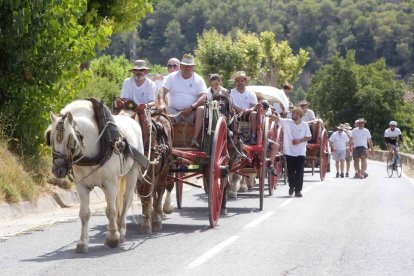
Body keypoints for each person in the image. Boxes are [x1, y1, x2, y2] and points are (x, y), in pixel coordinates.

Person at [158, 54, 207, 148]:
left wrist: (192, 107)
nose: (186, 68)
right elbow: (161, 91)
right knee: (161, 114)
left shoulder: (199, 79)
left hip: (192, 112)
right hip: (174, 111)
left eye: (189, 66)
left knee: (201, 109)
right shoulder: (171, 77)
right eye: (184, 66)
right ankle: (166, 142)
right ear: (180, 66)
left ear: (193, 67)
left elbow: (204, 96)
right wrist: (161, 104)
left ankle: (194, 139)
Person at [273, 107, 312, 197]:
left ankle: (298, 191)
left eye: (294, 113)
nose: (292, 115)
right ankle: (291, 187)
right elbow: (277, 119)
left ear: (299, 115)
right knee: (290, 171)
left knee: (300, 171)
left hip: (301, 152)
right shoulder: (287, 122)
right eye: (292, 113)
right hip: (289, 151)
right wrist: (267, 114)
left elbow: (309, 137)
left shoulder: (305, 125)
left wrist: (300, 140)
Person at [230, 71, 258, 144]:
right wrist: (236, 108)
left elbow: (254, 106)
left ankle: (253, 136)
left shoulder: (251, 93)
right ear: (235, 82)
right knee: (231, 111)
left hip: (248, 115)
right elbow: (230, 104)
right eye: (238, 81)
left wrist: (248, 110)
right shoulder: (231, 92)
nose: (240, 82)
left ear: (245, 81)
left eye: (242, 80)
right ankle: (234, 135)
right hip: (236, 114)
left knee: (254, 113)